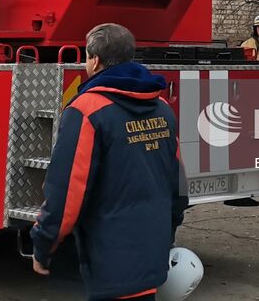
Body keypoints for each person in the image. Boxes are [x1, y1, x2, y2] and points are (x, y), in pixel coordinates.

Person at [32, 23, 189, 300]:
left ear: (94, 60)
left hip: (109, 261)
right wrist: (168, 230)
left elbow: (67, 193)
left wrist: (44, 245)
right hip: (152, 256)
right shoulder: (162, 107)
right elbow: (178, 184)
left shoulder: (87, 110)